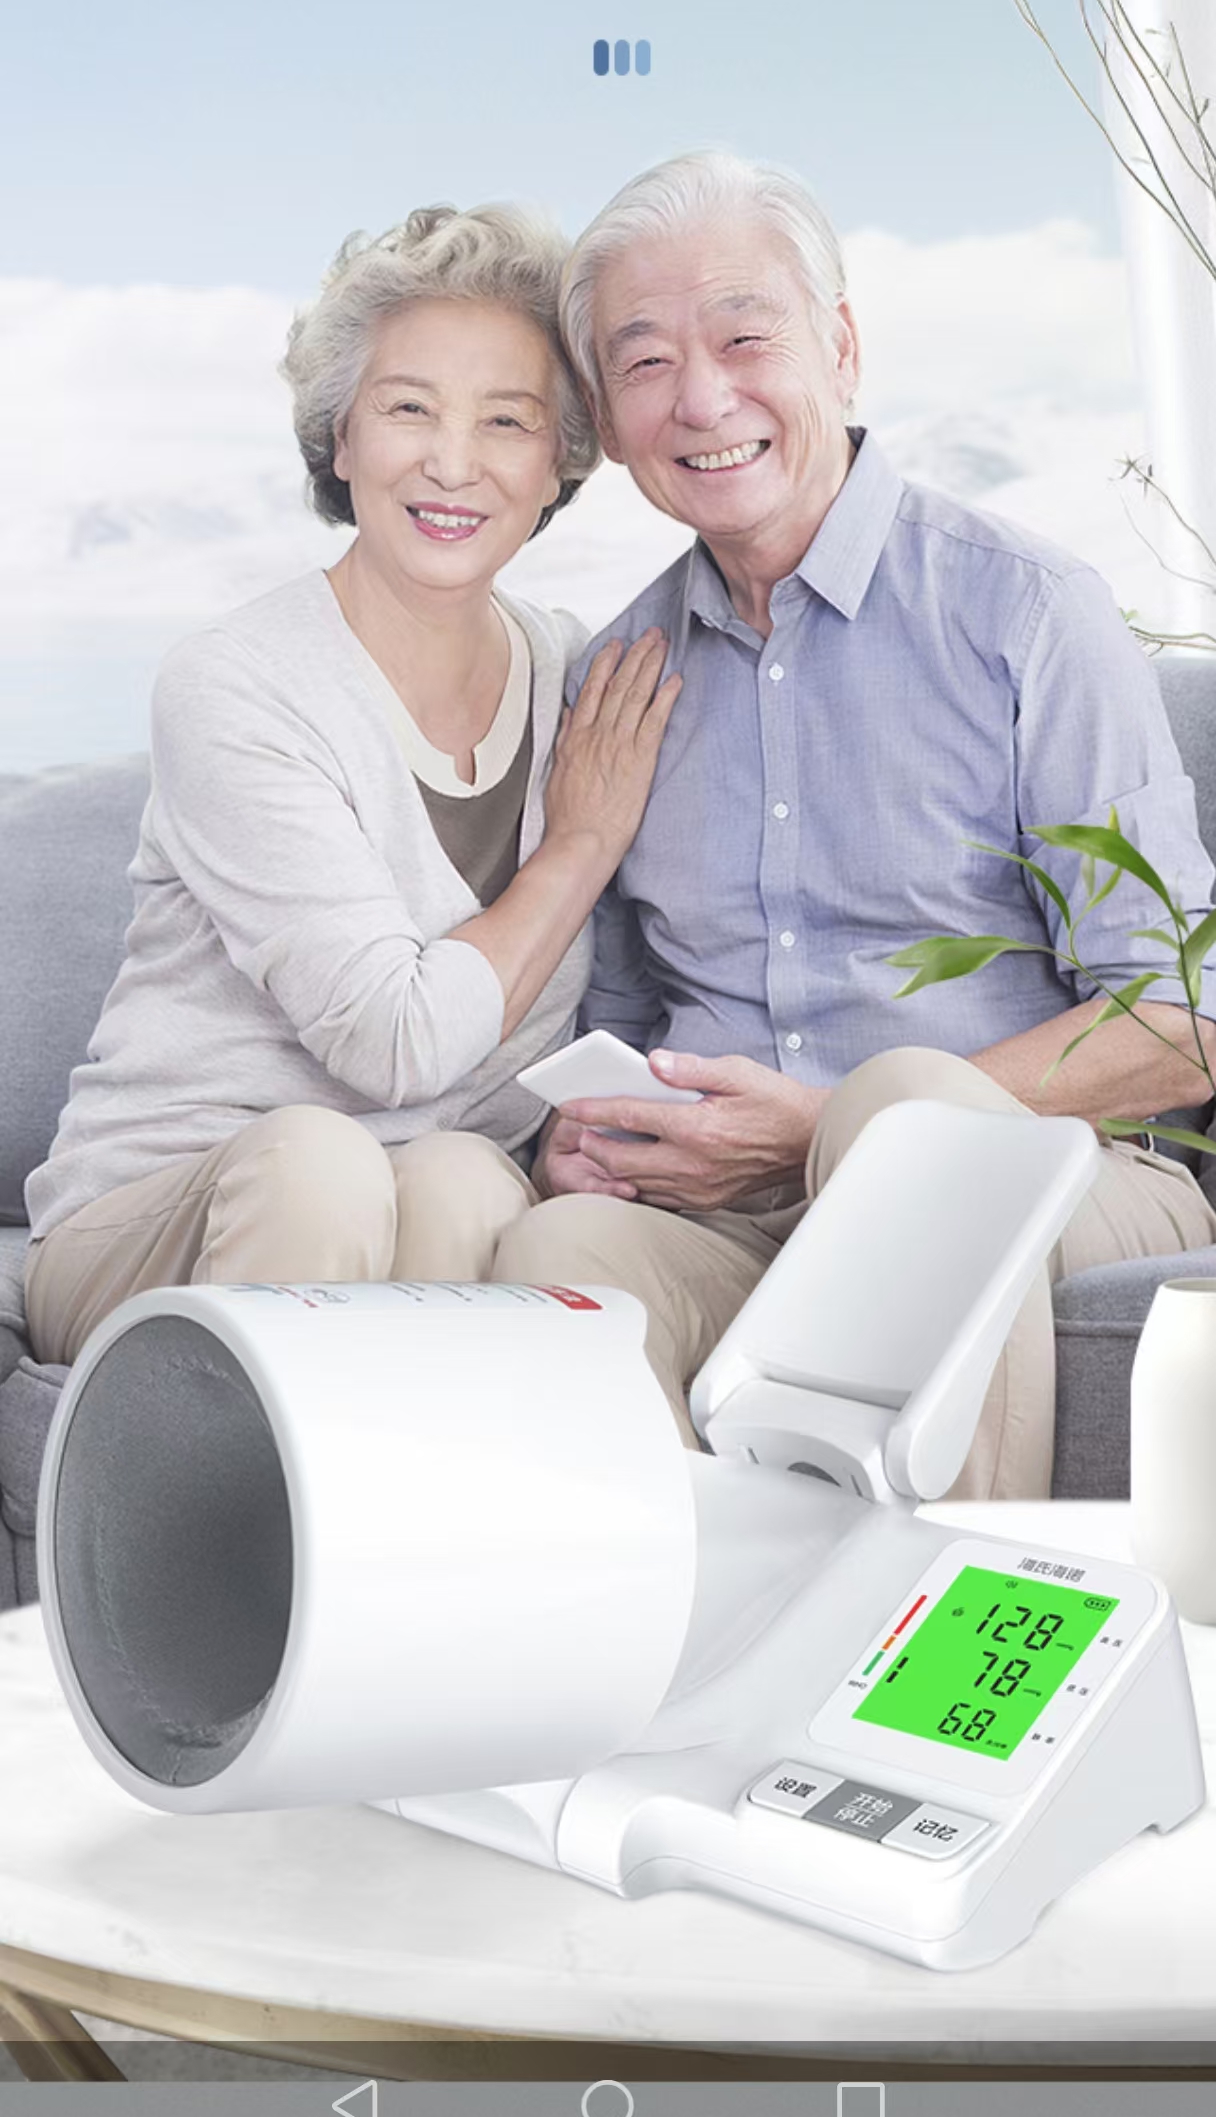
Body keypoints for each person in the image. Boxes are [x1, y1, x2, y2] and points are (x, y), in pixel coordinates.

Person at [490, 150, 1216, 1497]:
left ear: (840, 348)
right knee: (557, 1256)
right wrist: (585, 1136)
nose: (702, 398)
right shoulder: (619, 680)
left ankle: (947, 1621)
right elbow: (624, 1017)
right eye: (644, 363)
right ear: (607, 415)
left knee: (905, 1122)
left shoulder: (1026, 613)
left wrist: (839, 1126)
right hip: (739, 1213)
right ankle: (706, 1631)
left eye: (744, 338)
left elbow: (1180, 1020)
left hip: (1046, 1182)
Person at [23, 203, 680, 1364]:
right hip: (161, 1217)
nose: (452, 462)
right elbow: (396, 1044)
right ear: (340, 439)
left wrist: (571, 1139)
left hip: (422, 1200)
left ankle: (402, 1487)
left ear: (559, 464)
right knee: (322, 1163)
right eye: (408, 407)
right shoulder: (237, 683)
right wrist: (578, 845)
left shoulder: (585, 680)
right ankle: (232, 1485)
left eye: (507, 420)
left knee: (467, 1180)